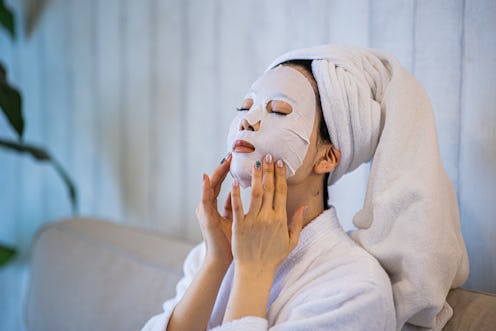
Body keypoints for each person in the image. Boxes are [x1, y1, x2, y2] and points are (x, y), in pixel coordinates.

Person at [142, 45, 468, 331]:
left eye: (278, 111)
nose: (247, 120)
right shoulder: (213, 253)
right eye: (245, 107)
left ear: (327, 156)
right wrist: (219, 259)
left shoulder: (355, 288)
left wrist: (254, 272)